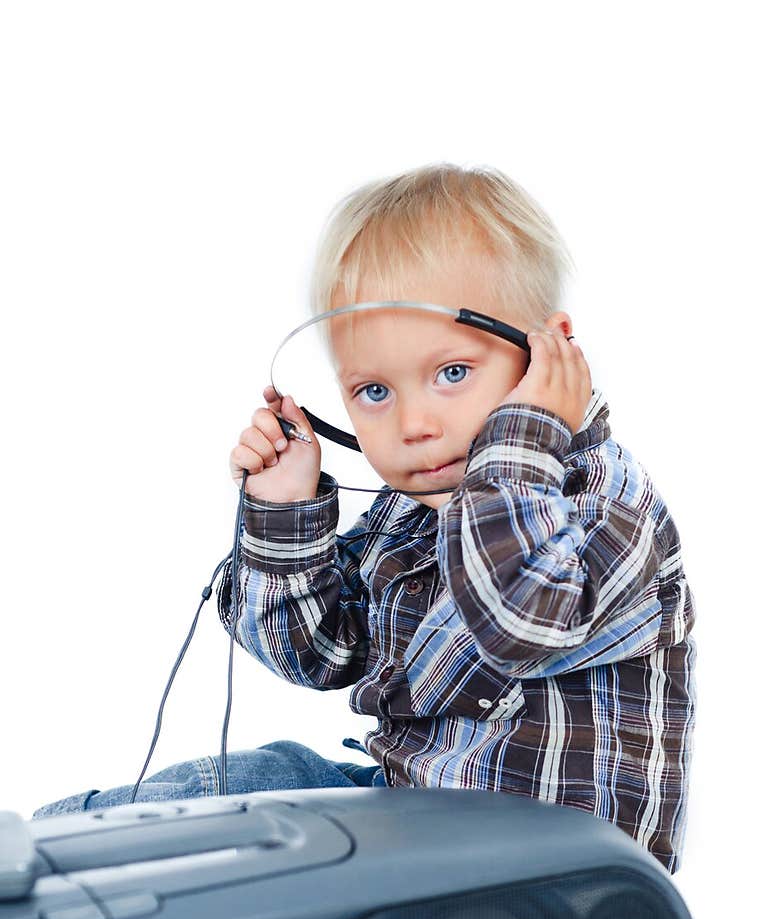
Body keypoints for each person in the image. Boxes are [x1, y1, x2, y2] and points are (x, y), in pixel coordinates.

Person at [31, 163, 696, 874]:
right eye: (375, 390)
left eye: (451, 374)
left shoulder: (608, 503)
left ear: (549, 354)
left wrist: (523, 437)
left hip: (543, 873)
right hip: (412, 818)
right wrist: (284, 514)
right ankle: (51, 861)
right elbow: (322, 652)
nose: (414, 424)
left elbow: (517, 621)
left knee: (277, 816)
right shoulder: (411, 510)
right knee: (254, 783)